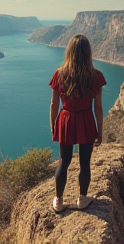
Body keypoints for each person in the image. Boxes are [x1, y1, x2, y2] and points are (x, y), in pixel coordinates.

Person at [49, 34, 106, 213]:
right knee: (85, 163)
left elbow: (53, 104)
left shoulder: (60, 74)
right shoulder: (96, 76)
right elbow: (98, 108)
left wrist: (53, 126)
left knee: (63, 162)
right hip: (86, 120)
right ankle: (82, 199)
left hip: (66, 120)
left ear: (70, 52)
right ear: (88, 53)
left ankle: (58, 201)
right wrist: (100, 131)